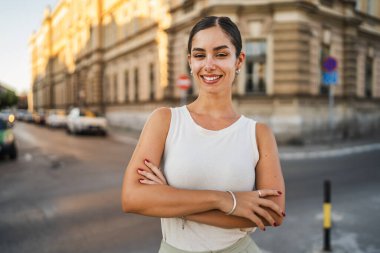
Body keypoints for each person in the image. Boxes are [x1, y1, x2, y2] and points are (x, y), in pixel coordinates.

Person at [121, 16, 285, 253]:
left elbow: (272, 213)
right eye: (199, 55)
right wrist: (227, 201)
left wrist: (171, 200)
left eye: (221, 54)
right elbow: (132, 198)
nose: (209, 64)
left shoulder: (258, 133)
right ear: (190, 61)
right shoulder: (165, 120)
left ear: (239, 61)